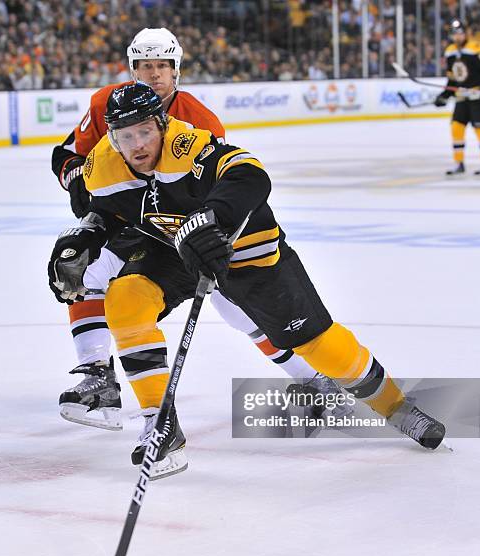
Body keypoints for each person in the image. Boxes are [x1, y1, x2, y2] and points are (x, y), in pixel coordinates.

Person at [47, 83, 446, 479]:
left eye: (145, 131)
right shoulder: (103, 164)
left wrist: (213, 218)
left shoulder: (188, 147)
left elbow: (250, 175)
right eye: (125, 135)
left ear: (163, 124)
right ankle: (161, 423)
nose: (137, 144)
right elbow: (108, 212)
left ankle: (396, 406)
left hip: (246, 248)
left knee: (316, 344)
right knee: (125, 299)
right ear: (113, 137)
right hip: (173, 250)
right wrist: (85, 237)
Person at [51, 27, 335, 432]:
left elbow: (221, 189)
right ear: (132, 69)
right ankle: (98, 378)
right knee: (83, 271)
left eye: (162, 66)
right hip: (134, 221)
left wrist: (207, 234)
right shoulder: (106, 104)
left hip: (186, 231)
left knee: (241, 313)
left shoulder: (199, 120)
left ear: (176, 70)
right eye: (145, 66)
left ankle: (313, 378)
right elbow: (67, 155)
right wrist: (77, 180)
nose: (154, 74)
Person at [434, 19, 480, 176]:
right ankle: (459, 163)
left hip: (477, 97)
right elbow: (452, 78)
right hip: (461, 97)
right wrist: (445, 95)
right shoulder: (450, 52)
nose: (457, 37)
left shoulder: (476, 48)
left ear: (465, 33)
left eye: (460, 33)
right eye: (454, 34)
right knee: (456, 128)